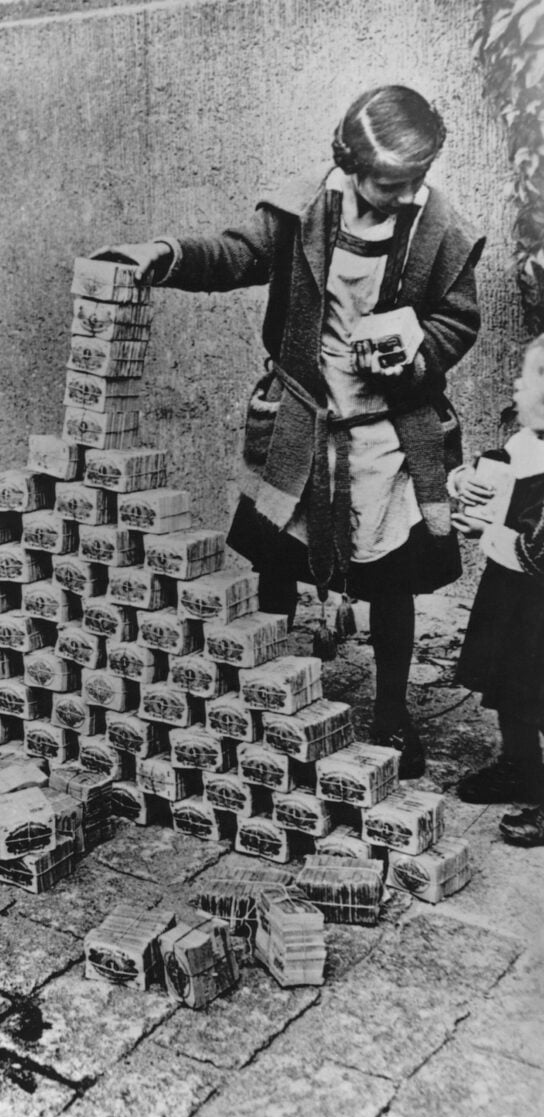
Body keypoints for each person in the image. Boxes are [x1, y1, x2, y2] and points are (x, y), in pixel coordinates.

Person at [92, 85, 484, 779]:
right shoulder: (303, 208)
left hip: (388, 433)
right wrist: (166, 255)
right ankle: (270, 697)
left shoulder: (440, 230)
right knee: (277, 561)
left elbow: (458, 320)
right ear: (347, 161)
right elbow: (237, 255)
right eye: (386, 183)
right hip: (303, 421)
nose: (400, 196)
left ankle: (392, 714)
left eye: (414, 182)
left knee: (391, 581)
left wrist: (414, 353)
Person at [451, 335, 544, 844]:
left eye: (528, 377)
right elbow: (496, 470)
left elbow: (539, 550)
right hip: (513, 597)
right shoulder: (526, 441)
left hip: (539, 595)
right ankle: (521, 764)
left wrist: (483, 531)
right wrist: (466, 482)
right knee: (511, 682)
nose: (515, 383)